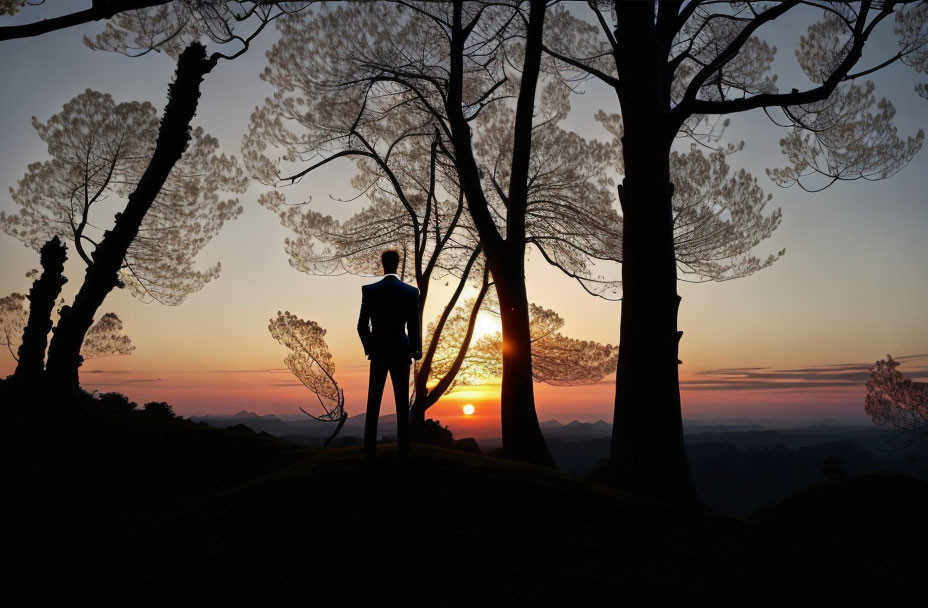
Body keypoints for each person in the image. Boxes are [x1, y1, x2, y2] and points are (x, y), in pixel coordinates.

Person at [357, 249, 421, 465]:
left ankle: (369, 455)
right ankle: (404, 455)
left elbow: (361, 326)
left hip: (379, 352)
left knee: (373, 404)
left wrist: (370, 348)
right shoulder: (411, 292)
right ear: (398, 264)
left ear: (383, 264)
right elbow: (414, 326)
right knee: (402, 407)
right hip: (402, 352)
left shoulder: (370, 291)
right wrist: (415, 349)